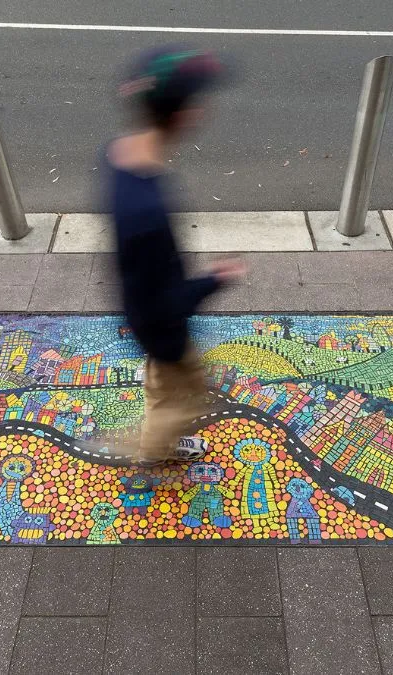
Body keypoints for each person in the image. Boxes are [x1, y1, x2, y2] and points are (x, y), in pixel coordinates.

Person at [107, 46, 246, 465]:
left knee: (180, 387)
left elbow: (141, 273)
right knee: (181, 396)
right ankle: (152, 451)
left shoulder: (119, 155)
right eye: (195, 104)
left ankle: (159, 424)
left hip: (145, 314)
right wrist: (215, 280)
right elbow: (166, 297)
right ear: (183, 116)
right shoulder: (147, 209)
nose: (201, 112)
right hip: (162, 328)